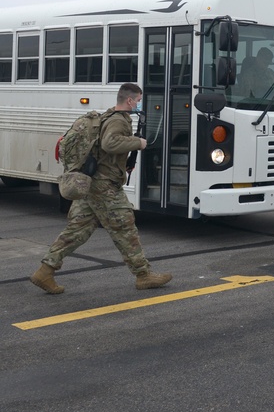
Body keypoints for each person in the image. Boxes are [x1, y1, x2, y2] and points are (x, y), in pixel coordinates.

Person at [30, 83, 172, 294]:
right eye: (138, 99)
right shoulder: (117, 121)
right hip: (104, 186)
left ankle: (45, 271)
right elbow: (109, 143)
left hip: (92, 183)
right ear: (130, 100)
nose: (140, 103)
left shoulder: (108, 116)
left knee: (77, 230)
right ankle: (143, 275)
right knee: (124, 228)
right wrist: (138, 142)